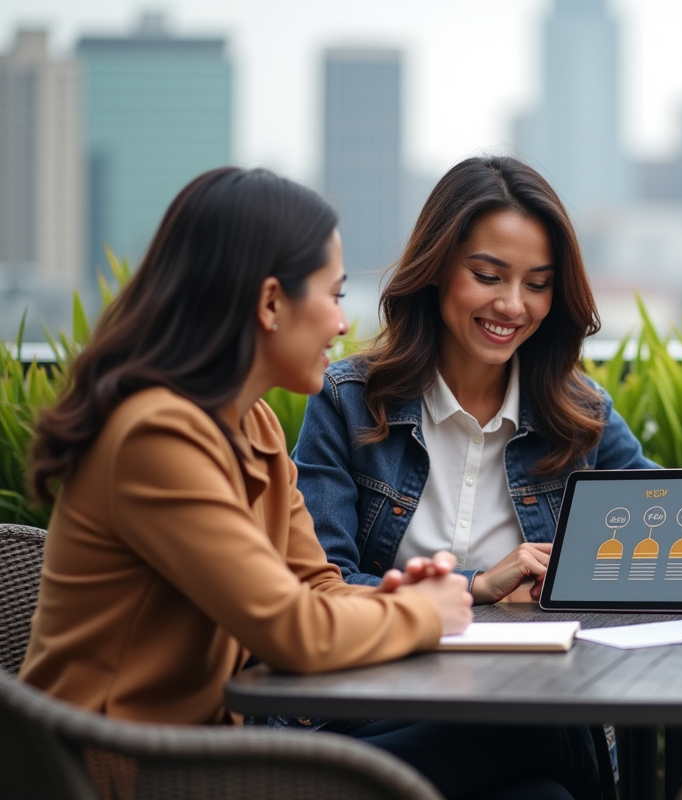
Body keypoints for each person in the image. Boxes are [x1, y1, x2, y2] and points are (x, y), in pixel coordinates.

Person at [18, 166, 581, 799]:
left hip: (218, 749)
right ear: (269, 303)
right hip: (129, 771)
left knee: (540, 787)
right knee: (532, 730)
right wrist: (426, 609)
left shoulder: (250, 423)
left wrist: (435, 596)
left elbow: (318, 585)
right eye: (334, 295)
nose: (343, 325)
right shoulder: (156, 436)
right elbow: (289, 629)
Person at [285, 155, 656, 800]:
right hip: (371, 712)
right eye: (488, 275)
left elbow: (680, 522)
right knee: (542, 725)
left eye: (538, 284)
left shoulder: (579, 414)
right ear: (435, 273)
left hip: (500, 723)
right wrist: (477, 588)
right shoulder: (348, 402)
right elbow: (328, 586)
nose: (512, 305)